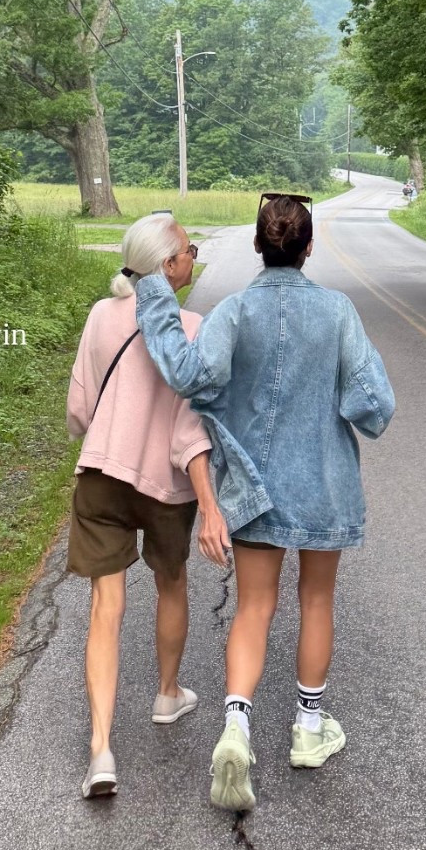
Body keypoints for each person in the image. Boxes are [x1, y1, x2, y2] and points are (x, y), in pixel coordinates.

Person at [134, 193, 394, 812]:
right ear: (307, 249)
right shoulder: (337, 313)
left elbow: (191, 376)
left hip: (254, 486)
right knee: (317, 599)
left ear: (257, 245)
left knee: (253, 606)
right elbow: (373, 405)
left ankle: (236, 729)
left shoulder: (234, 310)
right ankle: (308, 730)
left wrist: (153, 295)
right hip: (325, 484)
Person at [66, 213, 230, 800]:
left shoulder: (100, 316)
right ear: (167, 266)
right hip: (165, 483)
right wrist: (209, 500)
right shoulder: (194, 327)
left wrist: (107, 436)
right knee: (171, 581)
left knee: (105, 606)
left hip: (103, 473)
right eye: (188, 250)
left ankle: (101, 750)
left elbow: (81, 407)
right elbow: (192, 431)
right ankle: (167, 693)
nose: (193, 257)